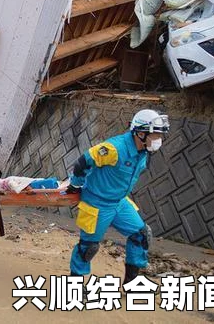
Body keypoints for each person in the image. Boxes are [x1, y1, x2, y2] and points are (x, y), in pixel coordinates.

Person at [67, 109, 169, 284]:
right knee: (88, 247)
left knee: (141, 234)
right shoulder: (114, 148)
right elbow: (83, 162)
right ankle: (73, 285)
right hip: (97, 203)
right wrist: (75, 185)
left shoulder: (143, 152)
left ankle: (131, 283)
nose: (159, 140)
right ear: (141, 133)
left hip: (119, 202)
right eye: (156, 135)